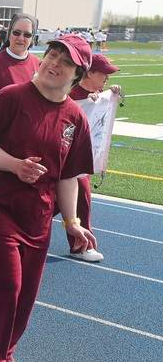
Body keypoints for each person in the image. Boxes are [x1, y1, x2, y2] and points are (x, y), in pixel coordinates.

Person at [0, 34, 95, 362]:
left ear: (77, 74)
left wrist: (71, 222)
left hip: (37, 214)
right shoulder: (11, 97)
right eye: (51, 55)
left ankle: (3, 355)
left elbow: (69, 174)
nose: (53, 63)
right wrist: (15, 165)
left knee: (25, 292)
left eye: (64, 61)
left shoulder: (75, 118)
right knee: (2, 286)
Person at [55, 53, 121, 262]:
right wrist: (85, 102)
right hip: (60, 159)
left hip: (79, 161)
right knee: (67, 200)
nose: (106, 79)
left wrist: (110, 94)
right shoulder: (71, 92)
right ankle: (80, 245)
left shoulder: (97, 92)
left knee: (75, 200)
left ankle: (80, 244)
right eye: (104, 74)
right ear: (90, 72)